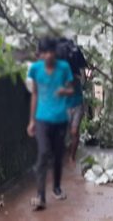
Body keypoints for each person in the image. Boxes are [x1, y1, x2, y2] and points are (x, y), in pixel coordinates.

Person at [26, 38, 74, 211]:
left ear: (54, 52)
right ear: (40, 54)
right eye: (44, 53)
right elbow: (35, 95)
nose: (47, 56)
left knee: (58, 155)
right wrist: (31, 120)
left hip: (60, 119)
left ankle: (57, 187)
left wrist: (64, 91)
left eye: (50, 52)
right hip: (41, 120)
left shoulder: (64, 68)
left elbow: (71, 89)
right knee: (44, 152)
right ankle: (40, 196)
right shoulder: (35, 69)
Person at [67, 71, 85, 163]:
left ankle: (72, 156)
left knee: (74, 131)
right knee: (69, 133)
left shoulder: (77, 76)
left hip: (77, 106)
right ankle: (70, 150)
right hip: (66, 107)